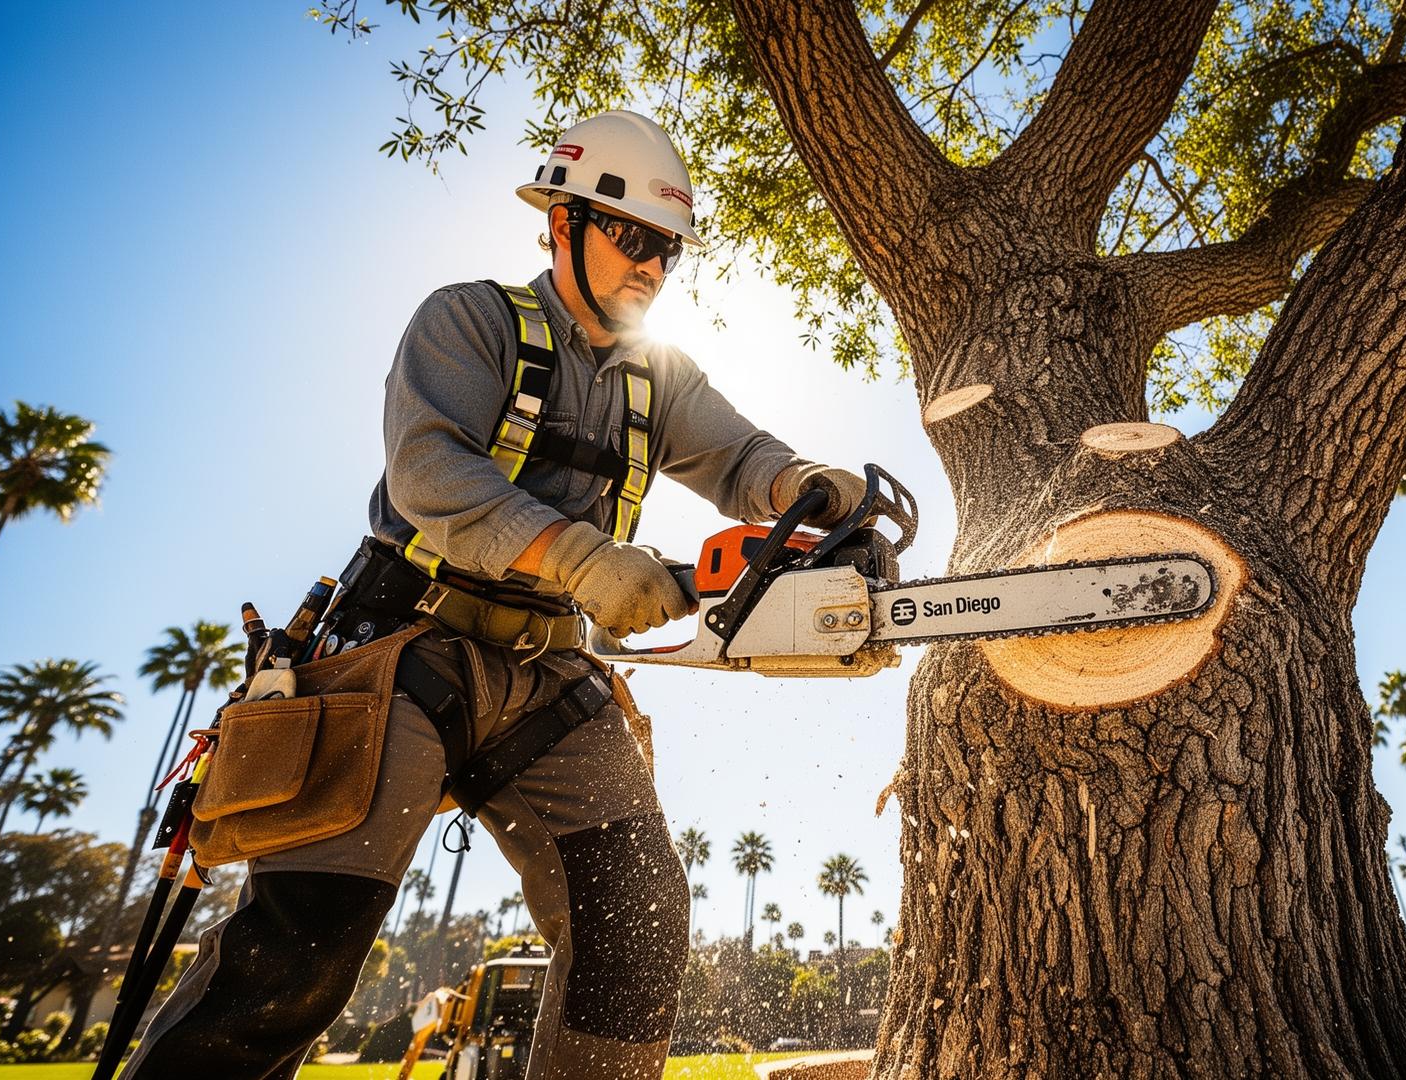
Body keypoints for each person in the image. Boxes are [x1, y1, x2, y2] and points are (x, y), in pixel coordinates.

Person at [123, 110, 869, 1080]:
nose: (651, 265)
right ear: (562, 224)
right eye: (631, 236)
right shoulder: (469, 322)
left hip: (551, 669)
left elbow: (740, 457)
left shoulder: (663, 378)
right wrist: (586, 560)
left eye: (668, 249)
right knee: (304, 949)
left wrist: (802, 485)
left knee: (636, 921)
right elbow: (428, 474)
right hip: (406, 651)